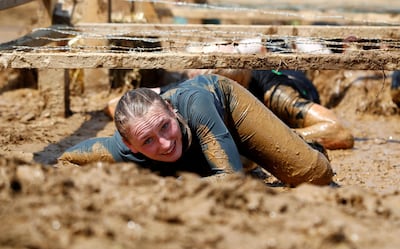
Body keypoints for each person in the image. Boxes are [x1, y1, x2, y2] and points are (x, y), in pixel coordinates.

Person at [59, 74, 333, 186]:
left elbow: (230, 178)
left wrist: (165, 187)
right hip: (209, 142)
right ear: (130, 145)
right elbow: (67, 159)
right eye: (148, 140)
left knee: (315, 176)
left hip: (227, 107)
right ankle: (238, 153)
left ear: (171, 109)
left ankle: (256, 147)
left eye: (165, 126)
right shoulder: (119, 149)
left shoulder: (195, 104)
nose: (165, 143)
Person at [106, 69, 354, 150]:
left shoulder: (272, 92)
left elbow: (339, 132)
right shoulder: (192, 89)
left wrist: (264, 139)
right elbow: (116, 104)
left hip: (292, 79)